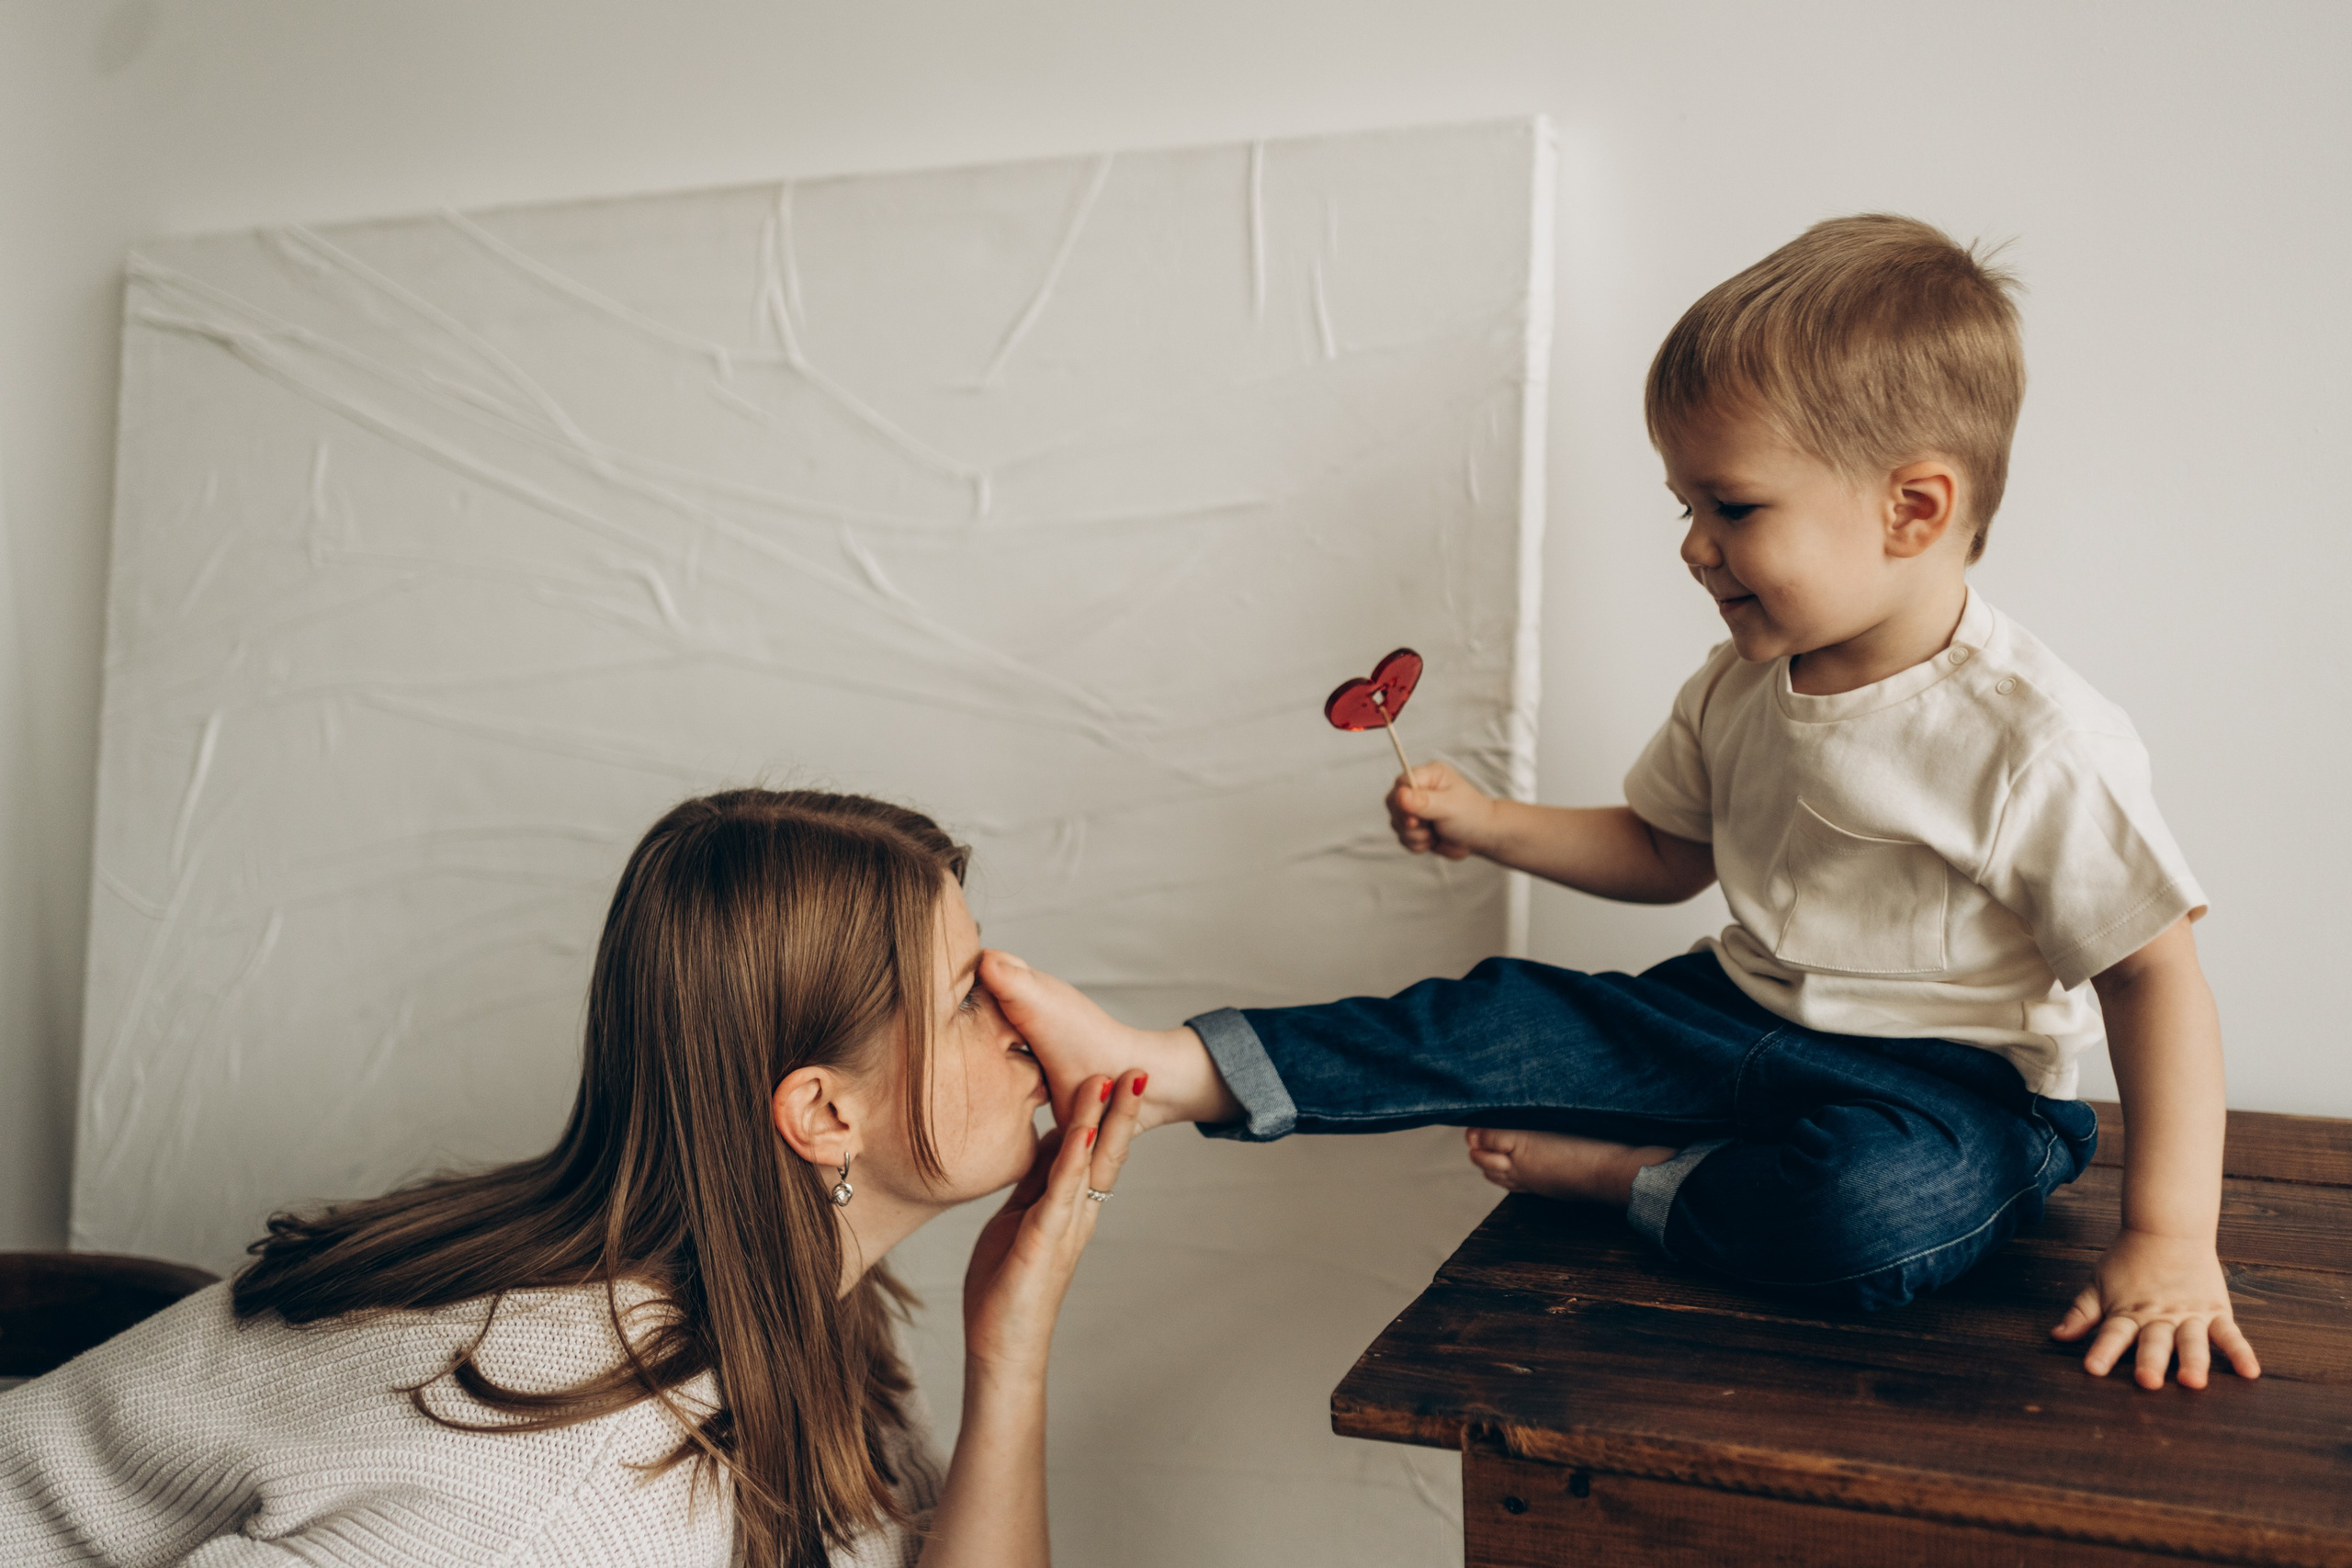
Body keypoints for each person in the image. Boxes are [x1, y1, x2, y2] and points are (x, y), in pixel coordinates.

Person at [987, 215, 2259, 1393]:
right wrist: (1490, 821)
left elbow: (2154, 976)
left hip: (1951, 1091)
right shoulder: (1739, 682)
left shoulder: (2035, 740)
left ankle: (1638, 1180)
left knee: (1871, 1212)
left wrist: (2169, 1237)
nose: (1694, 545)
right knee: (1504, 1016)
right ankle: (1173, 1069)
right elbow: (1662, 849)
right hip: (1733, 1017)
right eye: (1684, 505)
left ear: (1911, 508)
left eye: (1733, 507)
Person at [0, 789, 1147, 1567]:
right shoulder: (569, 1490)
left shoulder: (785, 1309)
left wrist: (1011, 1351)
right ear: (823, 1114)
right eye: (968, 995)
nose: (1028, 1015)